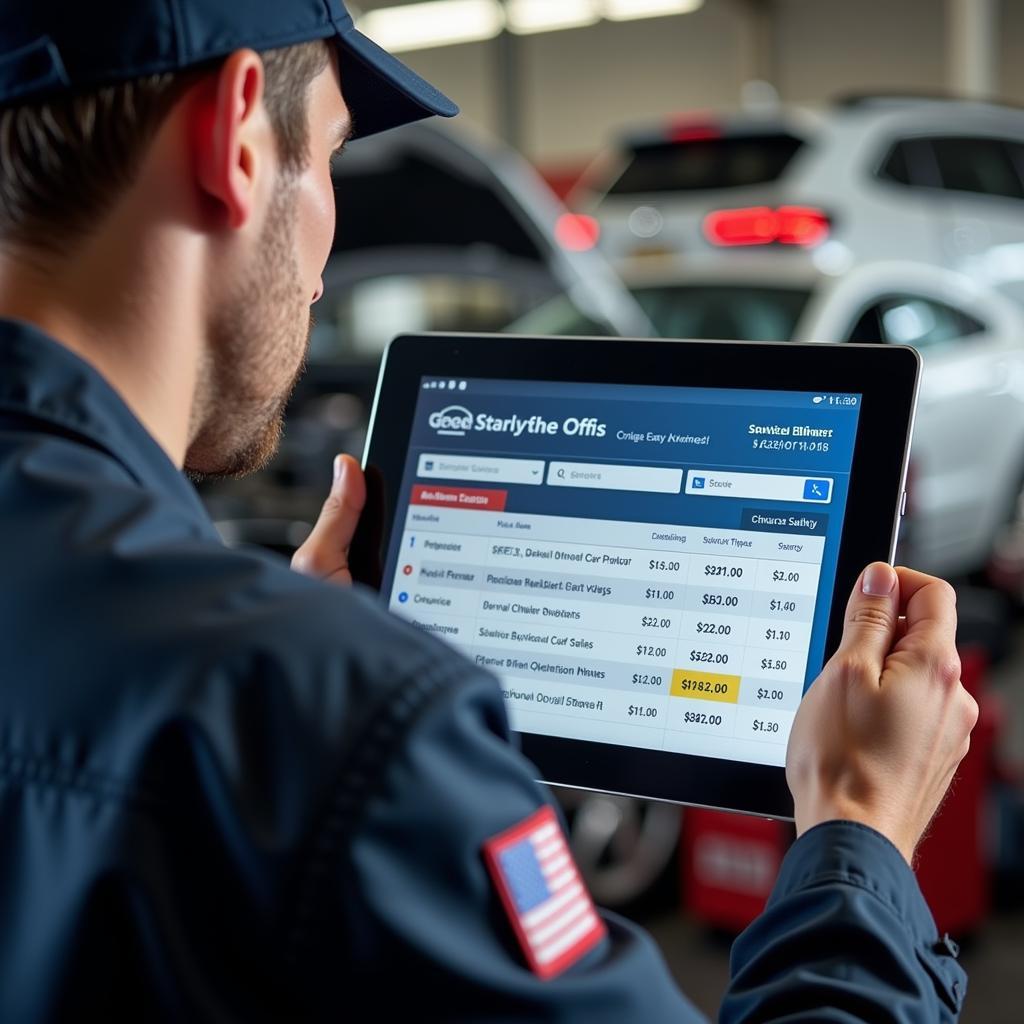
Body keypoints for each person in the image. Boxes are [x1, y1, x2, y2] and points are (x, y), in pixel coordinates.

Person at [0, 2, 978, 1021]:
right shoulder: (339, 721)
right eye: (330, 152)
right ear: (236, 134)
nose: (324, 265)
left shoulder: (280, 702)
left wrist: (270, 680)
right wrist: (861, 832)